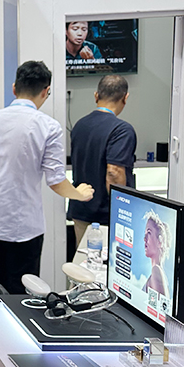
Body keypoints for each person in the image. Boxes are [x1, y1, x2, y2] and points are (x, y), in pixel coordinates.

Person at [0, 61, 94, 296]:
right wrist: (79, 194)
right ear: (45, 91)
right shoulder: (49, 127)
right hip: (25, 227)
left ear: (14, 88)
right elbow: (56, 181)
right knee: (23, 295)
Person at [68, 74, 136, 244]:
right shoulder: (121, 130)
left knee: (83, 258)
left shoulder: (79, 125)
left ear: (96, 96)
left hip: (81, 210)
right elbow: (114, 172)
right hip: (106, 217)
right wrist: (121, 211)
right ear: (125, 98)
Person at [143, 210, 170, 296]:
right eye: (145, 233)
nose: (144, 238)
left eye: (149, 233)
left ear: (160, 242)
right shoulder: (158, 272)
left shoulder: (156, 270)